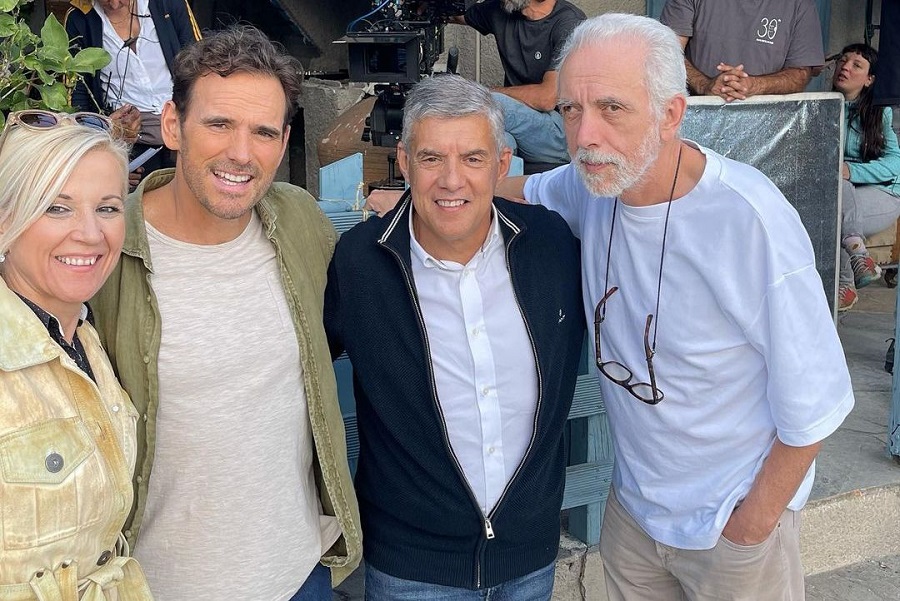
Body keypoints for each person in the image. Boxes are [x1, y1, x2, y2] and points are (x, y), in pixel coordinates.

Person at [498, 13, 854, 599]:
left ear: (670, 114)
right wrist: (426, 191)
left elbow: (817, 401)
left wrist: (750, 528)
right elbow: (517, 189)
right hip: (633, 517)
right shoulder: (593, 186)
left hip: (730, 529)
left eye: (612, 108)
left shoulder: (748, 221)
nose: (585, 135)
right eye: (570, 110)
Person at [90, 26, 362, 600]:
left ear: (283, 143)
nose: (241, 153)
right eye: (219, 124)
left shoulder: (297, 219)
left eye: (263, 132)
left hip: (298, 575)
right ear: (172, 126)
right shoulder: (104, 251)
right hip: (158, 586)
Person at [324, 75, 585, 599]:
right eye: (431, 158)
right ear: (404, 161)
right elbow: (299, 374)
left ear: (501, 164)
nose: (451, 180)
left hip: (529, 561)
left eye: (472, 158)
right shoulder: (360, 263)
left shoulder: (550, 245)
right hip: (411, 570)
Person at [0, 111, 152, 599]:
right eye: (56, 207)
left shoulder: (83, 335)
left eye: (107, 208)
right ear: (5, 220)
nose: (89, 233)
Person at [66, 0, 201, 173]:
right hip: (128, 139)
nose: (114, 5)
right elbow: (77, 92)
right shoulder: (79, 18)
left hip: (182, 127)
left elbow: (199, 64)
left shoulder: (168, 4)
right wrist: (106, 141)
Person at [450, 0, 585, 166]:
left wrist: (487, 92)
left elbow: (546, 98)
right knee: (498, 142)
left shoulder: (569, 23)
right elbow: (454, 14)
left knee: (491, 101)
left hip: (562, 135)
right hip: (519, 129)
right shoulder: (501, 9)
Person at [831, 43, 900, 311]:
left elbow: (895, 163)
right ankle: (858, 255)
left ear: (870, 79)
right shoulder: (823, 108)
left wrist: (851, 170)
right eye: (842, 60)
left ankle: (846, 284)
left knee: (833, 212)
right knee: (835, 194)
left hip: (884, 192)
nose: (845, 67)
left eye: (856, 65)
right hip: (843, 191)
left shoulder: (881, 112)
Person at [659, 0, 824, 102]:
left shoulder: (800, 4)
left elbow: (800, 74)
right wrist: (704, 85)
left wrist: (753, 85)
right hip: (696, 118)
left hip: (768, 127)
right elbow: (667, 52)